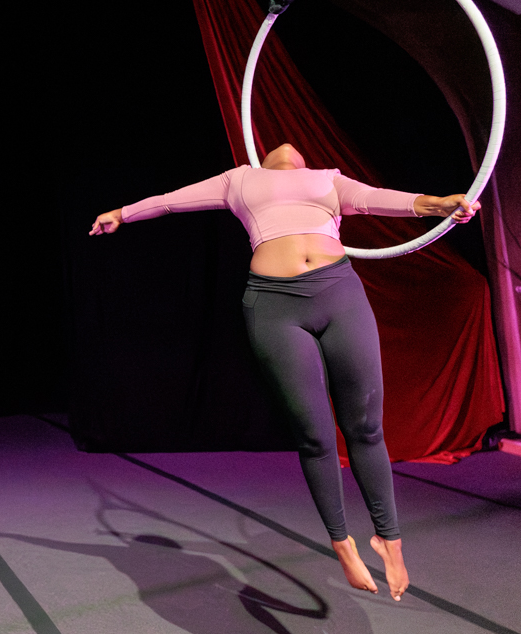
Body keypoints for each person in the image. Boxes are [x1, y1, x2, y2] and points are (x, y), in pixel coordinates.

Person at [90, 143, 480, 601]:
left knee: (365, 427)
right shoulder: (239, 180)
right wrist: (121, 213)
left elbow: (382, 199)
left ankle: (389, 540)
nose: (287, 145)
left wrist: (442, 204)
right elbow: (172, 200)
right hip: (274, 308)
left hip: (338, 295)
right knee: (315, 436)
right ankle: (342, 543)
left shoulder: (327, 178)